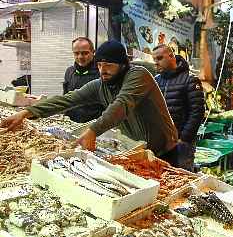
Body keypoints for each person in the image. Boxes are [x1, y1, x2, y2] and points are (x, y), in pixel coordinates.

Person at [0, 40, 180, 165]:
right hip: (138, 148)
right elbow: (68, 99)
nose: (103, 70)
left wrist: (93, 131)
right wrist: (27, 112)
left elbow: (122, 105)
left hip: (164, 149)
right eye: (100, 65)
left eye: (109, 65)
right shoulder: (100, 85)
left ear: (123, 64)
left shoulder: (138, 75)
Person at [152, 44, 205, 170]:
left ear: (171, 56)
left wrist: (184, 138)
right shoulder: (156, 80)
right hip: (160, 143)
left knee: (181, 179)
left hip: (181, 144)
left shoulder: (190, 80)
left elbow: (197, 112)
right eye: (154, 60)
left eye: (159, 58)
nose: (156, 63)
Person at [63, 37, 103, 123]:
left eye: (85, 53)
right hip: (72, 124)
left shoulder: (102, 73)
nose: (80, 57)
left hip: (95, 126)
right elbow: (65, 98)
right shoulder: (69, 72)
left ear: (93, 52)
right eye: (76, 53)